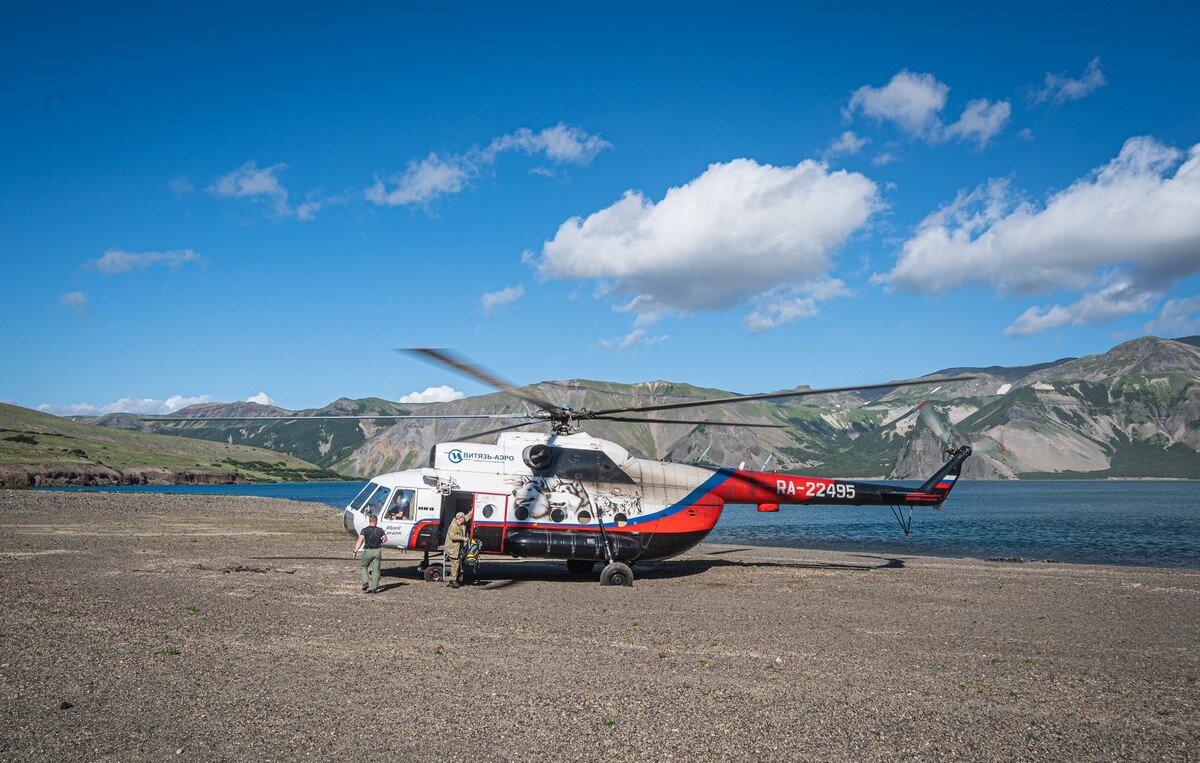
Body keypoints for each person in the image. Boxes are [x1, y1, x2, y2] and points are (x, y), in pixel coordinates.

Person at [353, 515, 387, 594]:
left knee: (363, 567)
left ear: (369, 521)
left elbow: (360, 540)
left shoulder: (365, 530)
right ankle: (374, 588)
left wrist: (355, 551)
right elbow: (385, 539)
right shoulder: (380, 530)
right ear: (376, 521)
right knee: (376, 570)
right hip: (377, 551)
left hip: (368, 551)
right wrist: (381, 540)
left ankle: (365, 583)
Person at [443, 512, 470, 589]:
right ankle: (453, 581)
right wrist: (463, 538)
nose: (464, 519)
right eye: (462, 518)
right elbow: (452, 536)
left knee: (456, 563)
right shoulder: (454, 526)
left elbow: (468, 517)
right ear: (459, 518)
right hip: (452, 548)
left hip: (455, 548)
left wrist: (472, 511)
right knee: (455, 564)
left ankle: (452, 580)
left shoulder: (459, 522)